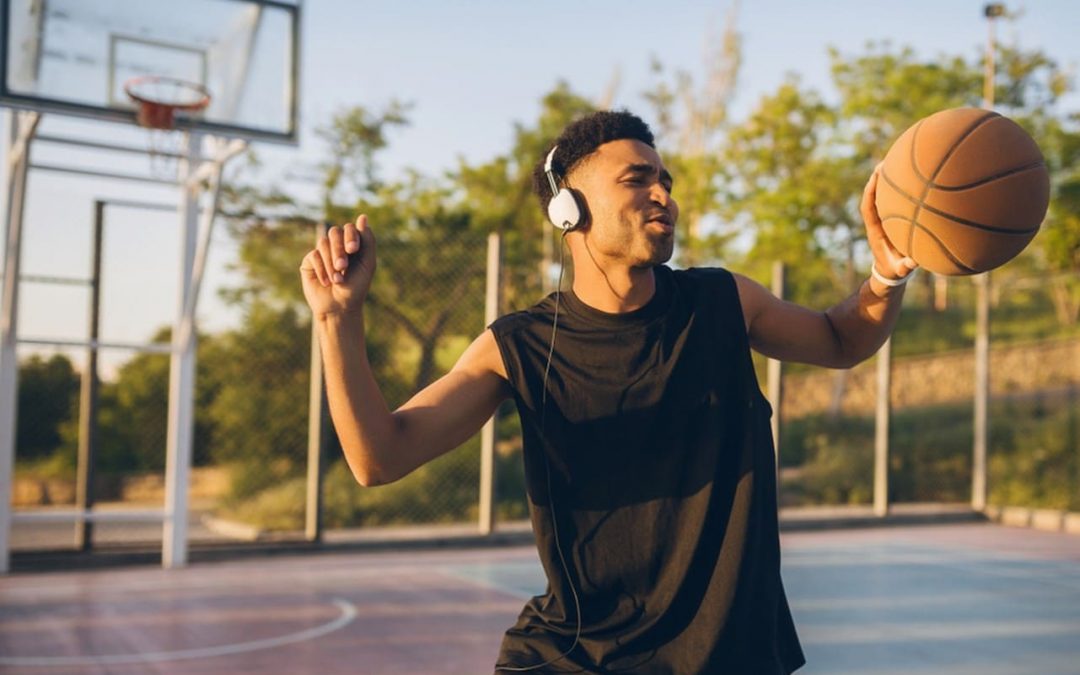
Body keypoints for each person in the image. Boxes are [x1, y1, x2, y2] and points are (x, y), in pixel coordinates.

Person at [299, 110, 918, 674]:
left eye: (666, 180)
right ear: (569, 207)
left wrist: (886, 273)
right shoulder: (520, 346)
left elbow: (841, 341)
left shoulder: (724, 301)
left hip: (732, 656)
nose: (664, 195)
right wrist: (337, 320)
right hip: (578, 658)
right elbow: (378, 458)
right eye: (638, 178)